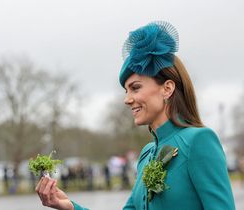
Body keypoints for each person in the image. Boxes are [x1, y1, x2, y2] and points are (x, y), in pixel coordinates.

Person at [35, 21, 236, 210]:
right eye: (126, 91)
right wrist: (70, 206)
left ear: (167, 88)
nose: (127, 99)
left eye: (135, 88)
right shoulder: (147, 154)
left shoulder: (199, 141)